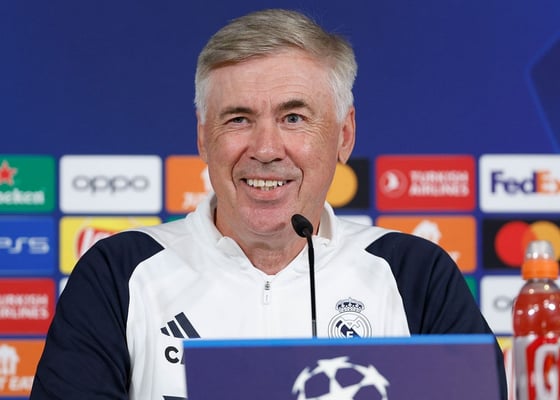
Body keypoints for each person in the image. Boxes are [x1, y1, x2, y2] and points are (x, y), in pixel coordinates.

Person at [30, 8, 507, 399]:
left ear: (344, 135)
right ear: (203, 137)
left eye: (293, 117)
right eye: (238, 119)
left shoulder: (416, 275)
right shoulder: (118, 273)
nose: (265, 148)